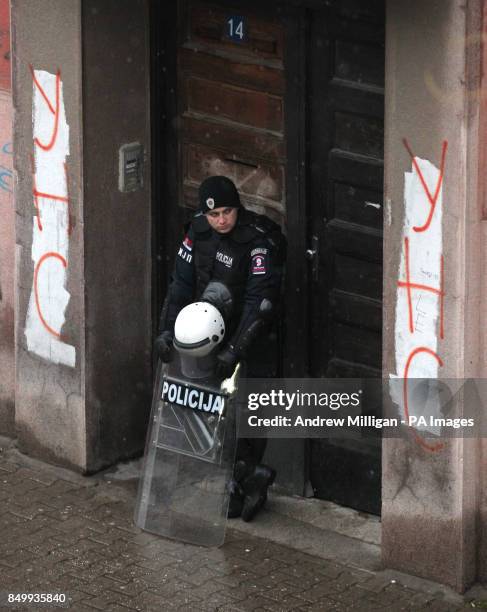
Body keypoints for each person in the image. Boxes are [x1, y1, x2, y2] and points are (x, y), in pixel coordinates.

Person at [155, 175, 286, 521]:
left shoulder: (256, 241)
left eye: (227, 212)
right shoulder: (197, 232)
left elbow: (261, 302)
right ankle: (232, 476)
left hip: (251, 337)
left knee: (251, 409)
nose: (221, 220)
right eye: (214, 215)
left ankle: (250, 478)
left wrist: (237, 350)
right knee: (208, 405)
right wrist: (166, 331)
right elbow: (180, 285)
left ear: (236, 209)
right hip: (208, 333)